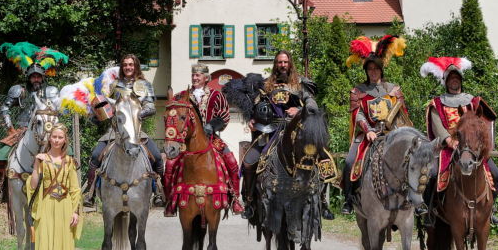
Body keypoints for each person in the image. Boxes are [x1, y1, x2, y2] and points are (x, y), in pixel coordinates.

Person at [238, 50, 321, 221]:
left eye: (285, 62)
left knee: (319, 157)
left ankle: (321, 201)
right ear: (275, 64)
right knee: (248, 162)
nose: (282, 65)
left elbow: (313, 105)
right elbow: (258, 108)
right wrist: (253, 119)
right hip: (270, 131)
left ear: (290, 64)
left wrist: (300, 110)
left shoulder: (300, 84)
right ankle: (250, 201)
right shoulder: (267, 85)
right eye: (279, 62)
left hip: (296, 130)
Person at [420, 57, 498, 221]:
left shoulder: (472, 101)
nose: (454, 80)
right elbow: (437, 126)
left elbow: (483, 123)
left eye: (457, 78)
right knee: (432, 174)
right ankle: (429, 210)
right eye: (451, 78)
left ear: (461, 80)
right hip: (446, 148)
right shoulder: (437, 103)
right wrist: (450, 140)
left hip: (471, 148)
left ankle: (492, 211)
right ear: (446, 82)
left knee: (496, 174)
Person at [83, 54, 164, 206]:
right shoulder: (114, 85)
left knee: (158, 157)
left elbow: (151, 107)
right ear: (122, 67)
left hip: (136, 130)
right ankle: (90, 192)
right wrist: (97, 114)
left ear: (136, 66)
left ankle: (160, 191)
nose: (128, 67)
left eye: (131, 64)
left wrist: (137, 113)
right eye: (125, 65)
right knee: (95, 156)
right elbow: (104, 105)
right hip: (115, 130)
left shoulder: (144, 84)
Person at [341, 36, 409, 214]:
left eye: (376, 68)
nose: (373, 72)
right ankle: (348, 199)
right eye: (370, 69)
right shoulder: (358, 91)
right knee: (349, 161)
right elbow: (358, 113)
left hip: (391, 134)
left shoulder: (394, 90)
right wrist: (368, 130)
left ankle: (413, 199)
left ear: (381, 69)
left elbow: (402, 115)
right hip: (368, 135)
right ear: (366, 71)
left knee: (412, 159)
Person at [165, 64, 244, 216]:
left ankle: (235, 199)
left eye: (198, 75)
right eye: (193, 75)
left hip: (211, 138)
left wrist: (212, 126)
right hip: (184, 141)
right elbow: (172, 114)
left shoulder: (217, 95)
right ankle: (169, 201)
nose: (194, 78)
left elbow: (224, 115)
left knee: (232, 162)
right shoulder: (181, 96)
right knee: (169, 165)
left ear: (206, 78)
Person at [0, 42, 69, 192]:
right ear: (28, 78)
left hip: (48, 130)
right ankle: (3, 186)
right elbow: (4, 108)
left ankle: (66, 183)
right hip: (23, 129)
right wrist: (10, 128)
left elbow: (62, 111)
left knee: (70, 152)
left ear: (43, 77)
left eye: (38, 77)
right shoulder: (19, 90)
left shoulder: (51, 91)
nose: (36, 79)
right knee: (2, 153)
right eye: (33, 77)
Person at [22, 125, 83, 250]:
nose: (56, 140)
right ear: (50, 138)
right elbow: (33, 186)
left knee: (63, 248)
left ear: (65, 140)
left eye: (60, 137)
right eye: (54, 137)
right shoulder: (42, 159)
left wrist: (75, 211)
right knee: (43, 246)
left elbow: (75, 189)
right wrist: (36, 164)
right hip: (47, 206)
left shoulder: (70, 162)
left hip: (64, 208)